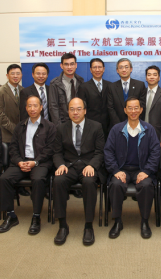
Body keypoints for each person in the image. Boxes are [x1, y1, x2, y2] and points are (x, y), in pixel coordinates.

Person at [0, 96, 56, 235]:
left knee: (38, 180)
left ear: (41, 108)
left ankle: (36, 216)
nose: (32, 108)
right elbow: (13, 148)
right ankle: (11, 215)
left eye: (35, 105)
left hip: (40, 163)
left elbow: (51, 149)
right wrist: (19, 162)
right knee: (4, 178)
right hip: (21, 162)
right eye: (29, 106)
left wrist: (35, 162)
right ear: (26, 108)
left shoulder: (50, 126)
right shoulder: (20, 126)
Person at [104, 97, 160, 239]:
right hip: (121, 168)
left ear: (141, 110)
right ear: (125, 110)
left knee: (147, 185)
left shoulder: (149, 129)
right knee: (116, 185)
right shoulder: (116, 129)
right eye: (130, 108)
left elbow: (155, 153)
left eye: (136, 108)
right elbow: (108, 152)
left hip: (142, 169)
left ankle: (145, 222)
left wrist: (146, 171)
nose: (133, 111)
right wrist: (116, 171)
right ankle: (117, 221)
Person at [52, 98, 106, 246]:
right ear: (68, 111)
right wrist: (60, 165)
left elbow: (100, 152)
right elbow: (56, 152)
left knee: (89, 182)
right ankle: (62, 225)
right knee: (58, 180)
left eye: (78, 109)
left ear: (85, 110)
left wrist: (93, 166)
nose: (75, 112)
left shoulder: (96, 127)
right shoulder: (61, 128)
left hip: (88, 165)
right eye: (72, 109)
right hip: (69, 166)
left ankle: (88, 226)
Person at [107, 58, 147, 127]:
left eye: (126, 67)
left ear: (131, 69)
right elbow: (110, 108)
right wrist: (118, 125)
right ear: (117, 70)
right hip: (117, 125)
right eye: (121, 67)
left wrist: (134, 122)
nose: (124, 70)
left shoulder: (140, 85)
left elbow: (142, 106)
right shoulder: (111, 87)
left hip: (136, 124)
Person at [77, 58, 111, 138]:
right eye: (94, 67)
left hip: (108, 126)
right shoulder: (83, 87)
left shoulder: (110, 86)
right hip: (90, 126)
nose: (97, 70)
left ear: (104, 69)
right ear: (90, 70)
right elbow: (82, 108)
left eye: (100, 67)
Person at [49, 53, 84, 127]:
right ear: (61, 66)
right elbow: (53, 107)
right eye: (66, 64)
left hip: (79, 121)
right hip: (63, 123)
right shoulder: (55, 84)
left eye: (72, 64)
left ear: (76, 65)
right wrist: (59, 126)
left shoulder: (80, 81)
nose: (69, 67)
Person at [0, 64, 24, 143]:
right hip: (6, 134)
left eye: (18, 74)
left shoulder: (24, 91)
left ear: (21, 75)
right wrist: (14, 128)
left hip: (22, 134)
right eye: (12, 73)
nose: (15, 76)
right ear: (7, 75)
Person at [143, 65, 161, 141]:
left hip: (157, 134)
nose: (152, 77)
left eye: (155, 75)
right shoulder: (141, 93)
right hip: (141, 133)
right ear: (146, 78)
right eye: (149, 75)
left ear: (159, 78)